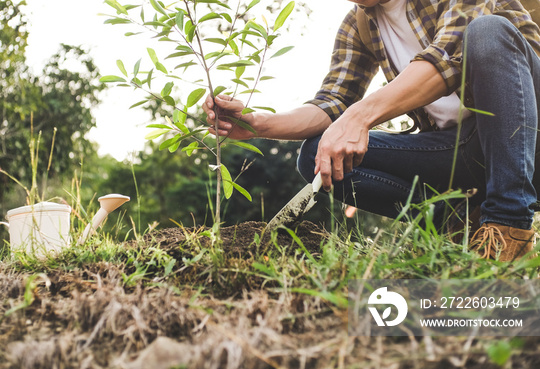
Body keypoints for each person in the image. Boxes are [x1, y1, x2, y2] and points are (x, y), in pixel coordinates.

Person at [202, 0, 540, 262]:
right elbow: (331, 102)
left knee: (487, 31)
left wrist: (360, 116)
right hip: (461, 150)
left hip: (527, 132)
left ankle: (509, 224)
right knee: (317, 154)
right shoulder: (360, 24)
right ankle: (458, 222)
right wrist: (260, 124)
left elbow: (446, 59)